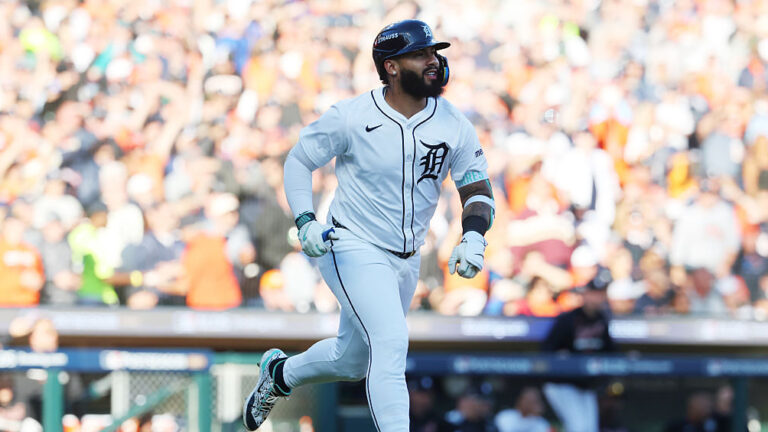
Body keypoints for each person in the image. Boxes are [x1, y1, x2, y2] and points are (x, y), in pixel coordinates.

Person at [242, 20, 495, 432]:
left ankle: (280, 375)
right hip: (352, 245)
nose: (433, 61)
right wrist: (305, 219)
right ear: (391, 67)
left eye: (434, 52)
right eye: (421, 54)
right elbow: (299, 161)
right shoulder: (352, 115)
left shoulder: (453, 122)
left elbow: (476, 184)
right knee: (391, 344)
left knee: (352, 360)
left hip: (408, 257)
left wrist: (473, 233)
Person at [541, 268, 615, 432]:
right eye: (594, 293)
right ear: (585, 294)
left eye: (601, 293)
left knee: (589, 428)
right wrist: (563, 358)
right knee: (579, 428)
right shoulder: (568, 319)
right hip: (562, 384)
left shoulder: (602, 320)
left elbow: (610, 352)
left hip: (585, 385)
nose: (597, 298)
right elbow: (547, 349)